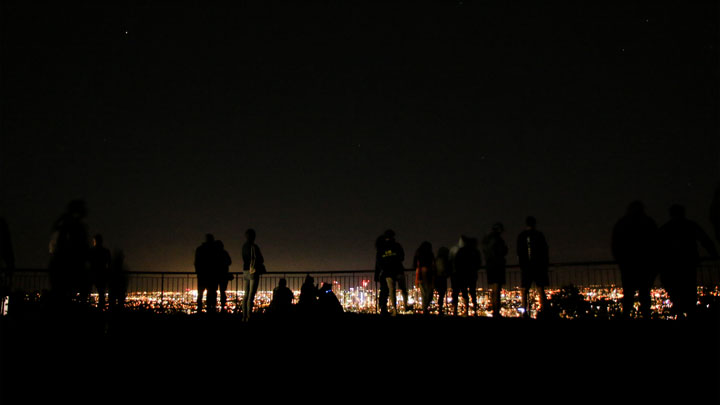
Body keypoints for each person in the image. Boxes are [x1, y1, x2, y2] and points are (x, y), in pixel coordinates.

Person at [658, 205, 718, 318]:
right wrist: (714, 254)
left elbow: (656, 247)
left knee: (677, 294)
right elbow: (705, 240)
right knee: (689, 295)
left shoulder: (665, 228)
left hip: (672, 267)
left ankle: (681, 315)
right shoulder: (690, 226)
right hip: (688, 265)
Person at [611, 201, 658, 319]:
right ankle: (645, 315)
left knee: (629, 294)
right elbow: (656, 243)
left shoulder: (622, 223)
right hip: (645, 265)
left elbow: (615, 244)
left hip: (628, 265)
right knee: (644, 294)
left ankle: (626, 315)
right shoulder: (648, 222)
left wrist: (621, 260)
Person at [49, 200, 90, 307]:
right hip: (70, 268)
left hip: (60, 268)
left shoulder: (62, 224)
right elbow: (82, 247)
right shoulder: (76, 226)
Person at [517, 216, 549, 318]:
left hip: (526, 267)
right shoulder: (539, 235)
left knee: (525, 289)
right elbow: (545, 250)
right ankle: (544, 311)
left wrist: (522, 264)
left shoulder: (522, 236)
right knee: (540, 289)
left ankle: (524, 312)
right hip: (539, 266)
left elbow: (519, 252)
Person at [375, 229, 408, 316]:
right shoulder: (397, 246)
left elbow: (378, 261)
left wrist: (383, 268)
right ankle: (406, 306)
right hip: (398, 270)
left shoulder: (381, 248)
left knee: (391, 291)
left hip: (387, 272)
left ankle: (394, 311)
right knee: (403, 289)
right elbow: (402, 257)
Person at [482, 223, 508, 318]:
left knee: (493, 289)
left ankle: (495, 310)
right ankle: (496, 311)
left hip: (489, 265)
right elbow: (503, 251)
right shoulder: (497, 239)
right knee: (497, 288)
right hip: (497, 264)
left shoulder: (486, 240)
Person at [453, 236, 482, 316]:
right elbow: (479, 263)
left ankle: (464, 311)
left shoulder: (461, 251)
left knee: (464, 292)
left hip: (462, 274)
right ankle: (474, 311)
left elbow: (456, 262)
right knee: (472, 292)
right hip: (472, 274)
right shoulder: (475, 252)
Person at [242, 228, 265, 322]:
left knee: (246, 294)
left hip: (245, 270)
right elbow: (261, 259)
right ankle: (249, 316)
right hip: (253, 271)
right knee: (251, 295)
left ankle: (244, 316)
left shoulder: (244, 246)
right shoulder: (254, 247)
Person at [194, 234, 217, 313]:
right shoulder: (214, 250)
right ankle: (210, 310)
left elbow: (196, 262)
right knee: (211, 294)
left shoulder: (200, 249)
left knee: (200, 294)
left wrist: (198, 272)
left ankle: (199, 310)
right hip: (211, 276)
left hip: (202, 275)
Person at [88, 234, 111, 310]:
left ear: (95, 241)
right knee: (101, 293)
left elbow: (88, 262)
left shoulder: (91, 251)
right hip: (102, 274)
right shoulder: (105, 252)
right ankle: (101, 309)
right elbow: (109, 264)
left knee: (88, 291)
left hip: (92, 274)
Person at [413, 241, 435, 315]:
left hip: (420, 273)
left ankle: (424, 308)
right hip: (428, 273)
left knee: (424, 293)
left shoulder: (418, 253)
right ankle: (425, 308)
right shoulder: (430, 254)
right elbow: (433, 264)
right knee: (429, 292)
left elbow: (415, 264)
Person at [214, 240, 232, 312]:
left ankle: (213, 307)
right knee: (222, 291)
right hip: (223, 275)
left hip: (215, 275)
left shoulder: (214, 254)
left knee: (214, 291)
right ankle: (222, 308)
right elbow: (229, 262)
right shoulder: (224, 253)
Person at [434, 247, 451, 315]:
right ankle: (440, 309)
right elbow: (445, 269)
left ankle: (439, 309)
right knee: (442, 294)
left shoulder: (436, 259)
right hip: (442, 278)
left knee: (440, 294)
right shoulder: (445, 260)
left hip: (437, 278)